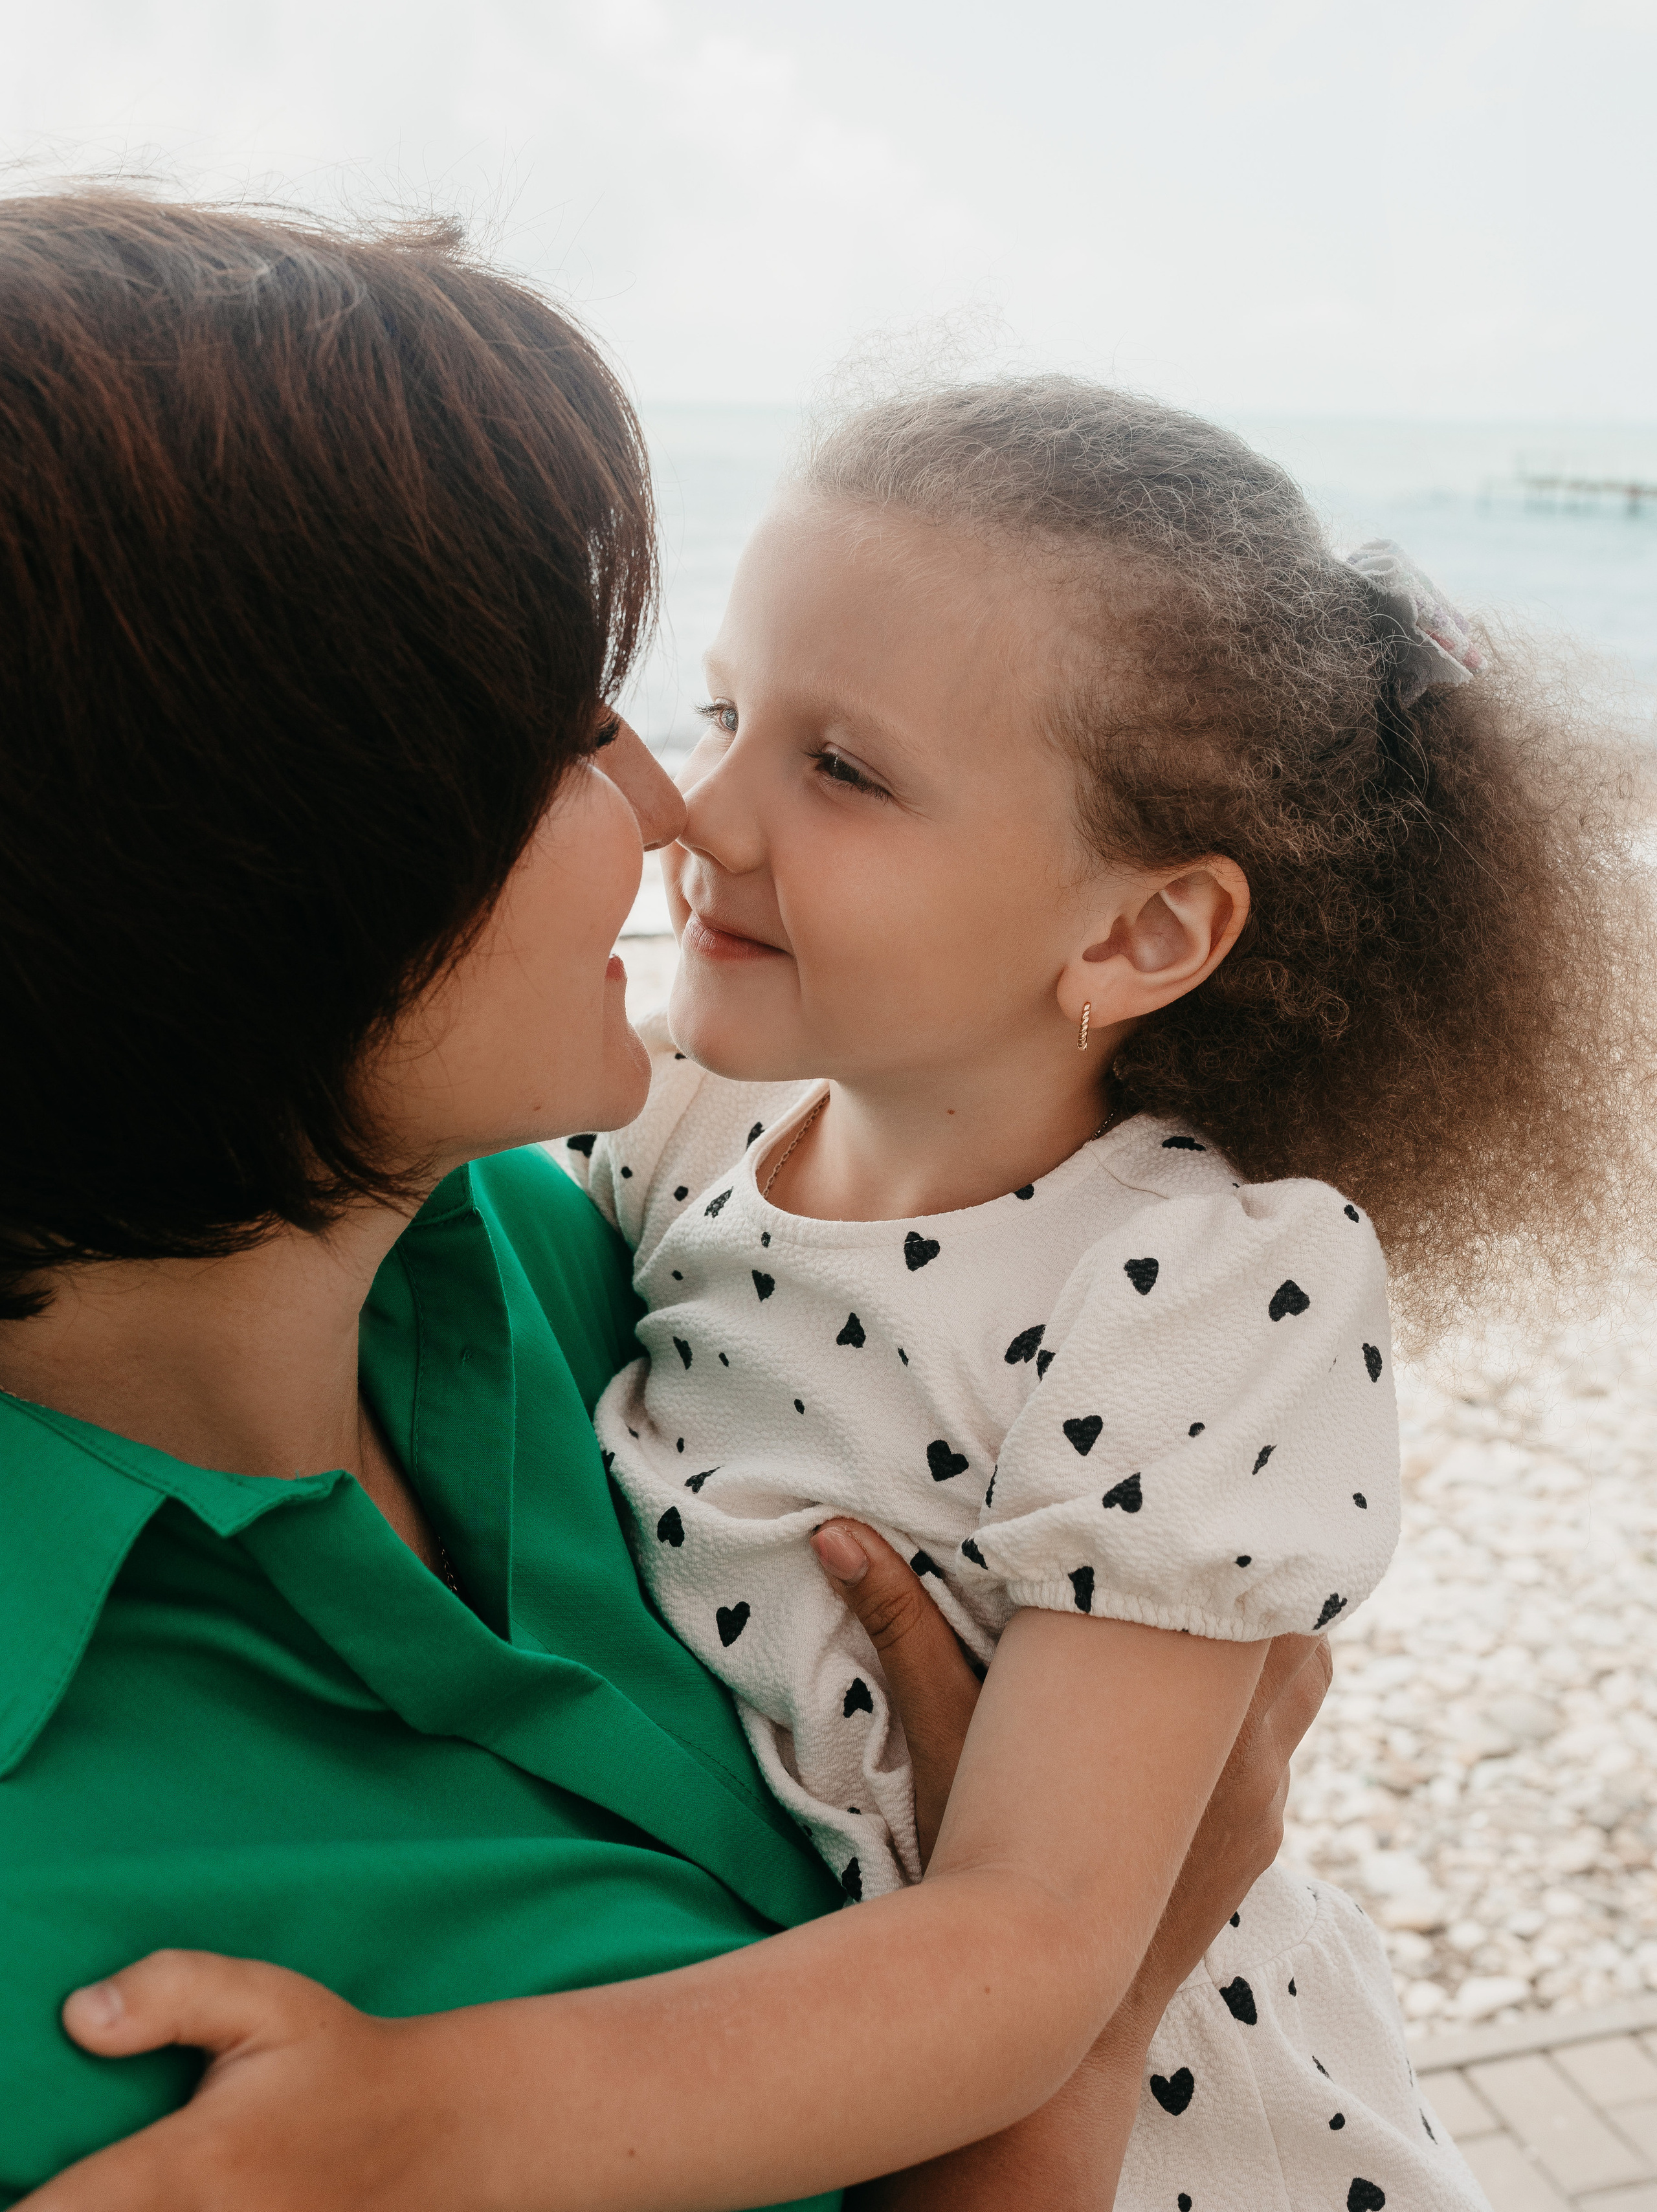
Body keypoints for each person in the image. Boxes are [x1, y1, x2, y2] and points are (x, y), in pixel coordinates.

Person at [0, 192, 1329, 2212]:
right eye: (561, 732)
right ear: (237, 880)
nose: (670, 805)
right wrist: (1124, 1970)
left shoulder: (578, 1253)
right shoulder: (79, 1971)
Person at [568, 381, 1650, 2207]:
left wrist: (413, 2116)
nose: (700, 807)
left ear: (1139, 933)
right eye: (726, 710)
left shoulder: (1199, 1284)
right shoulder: (679, 1120)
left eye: (844, 770)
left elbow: (1034, 1942)